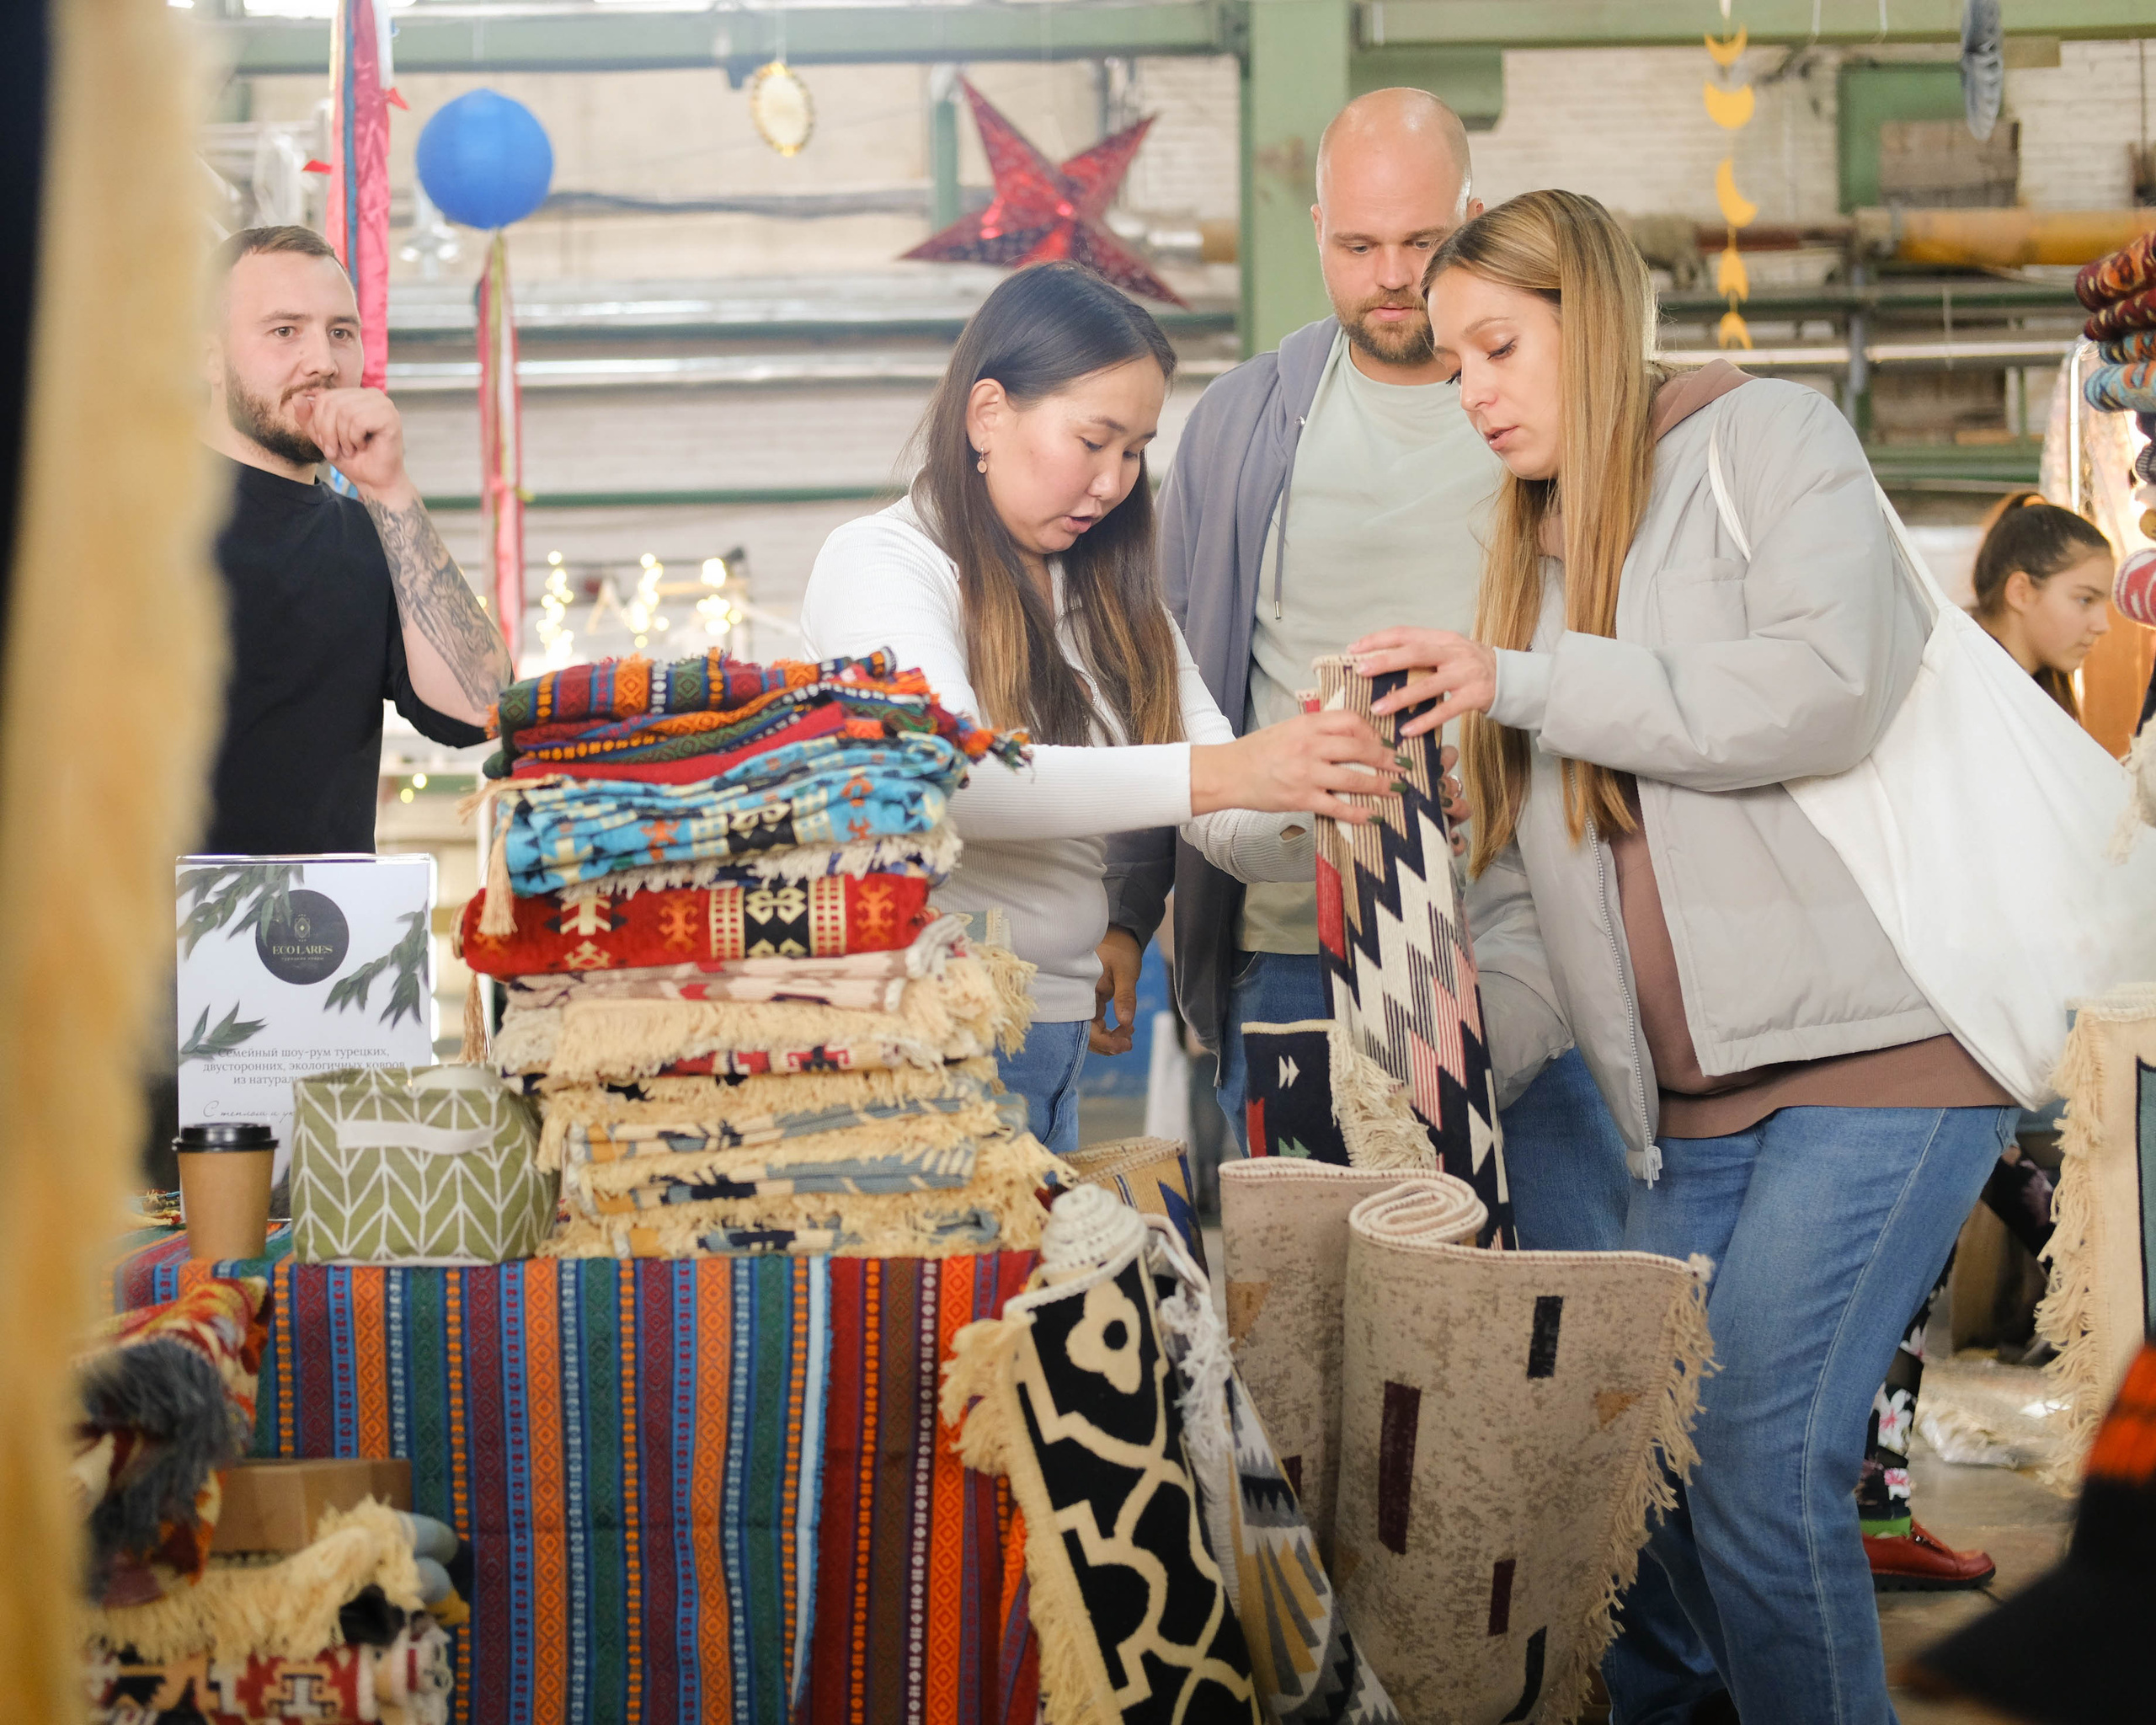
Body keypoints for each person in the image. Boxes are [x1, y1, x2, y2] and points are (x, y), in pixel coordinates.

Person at [1356, 188, 2020, 1725]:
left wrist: (1520, 675)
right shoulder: (1525, 549)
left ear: (1594, 316)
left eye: (1500, 346)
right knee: (1645, 1470)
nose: (1475, 392)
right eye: (1452, 366)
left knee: (1758, 1453)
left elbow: (1822, 687)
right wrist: (1431, 1051)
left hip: (1882, 1056)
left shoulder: (1769, 443)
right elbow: (1536, 894)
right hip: (1687, 1118)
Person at [798, 262, 1400, 1156]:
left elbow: (1225, 819)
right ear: (987, 414)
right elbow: (948, 780)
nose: (1116, 481)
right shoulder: (882, 563)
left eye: (1136, 449)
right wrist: (1236, 766)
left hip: (1056, 1030)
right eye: (1094, 440)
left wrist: (1362, 807)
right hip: (932, 1033)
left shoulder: (1108, 590)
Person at [1101, 87, 1529, 1151]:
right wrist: (1123, 908)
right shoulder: (1241, 422)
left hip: (1519, 936)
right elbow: (1168, 675)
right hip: (1293, 944)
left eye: (1425, 240)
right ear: (1318, 232)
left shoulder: (1537, 411)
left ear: (1476, 214)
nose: (1392, 276)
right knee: (1302, 1302)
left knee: (1530, 1285)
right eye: (1359, 243)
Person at [202, 225, 509, 852]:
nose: (322, 361)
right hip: (123, 940)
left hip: (314, 941)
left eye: (341, 332)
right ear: (207, 357)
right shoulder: (122, 524)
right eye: (285, 331)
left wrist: (390, 490)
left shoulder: (372, 537)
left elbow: (484, 706)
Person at [1969, 489, 2116, 716]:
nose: (2102, 625)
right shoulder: (1970, 701)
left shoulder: (2006, 692)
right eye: (2085, 599)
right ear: (2021, 593)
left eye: (2103, 603)